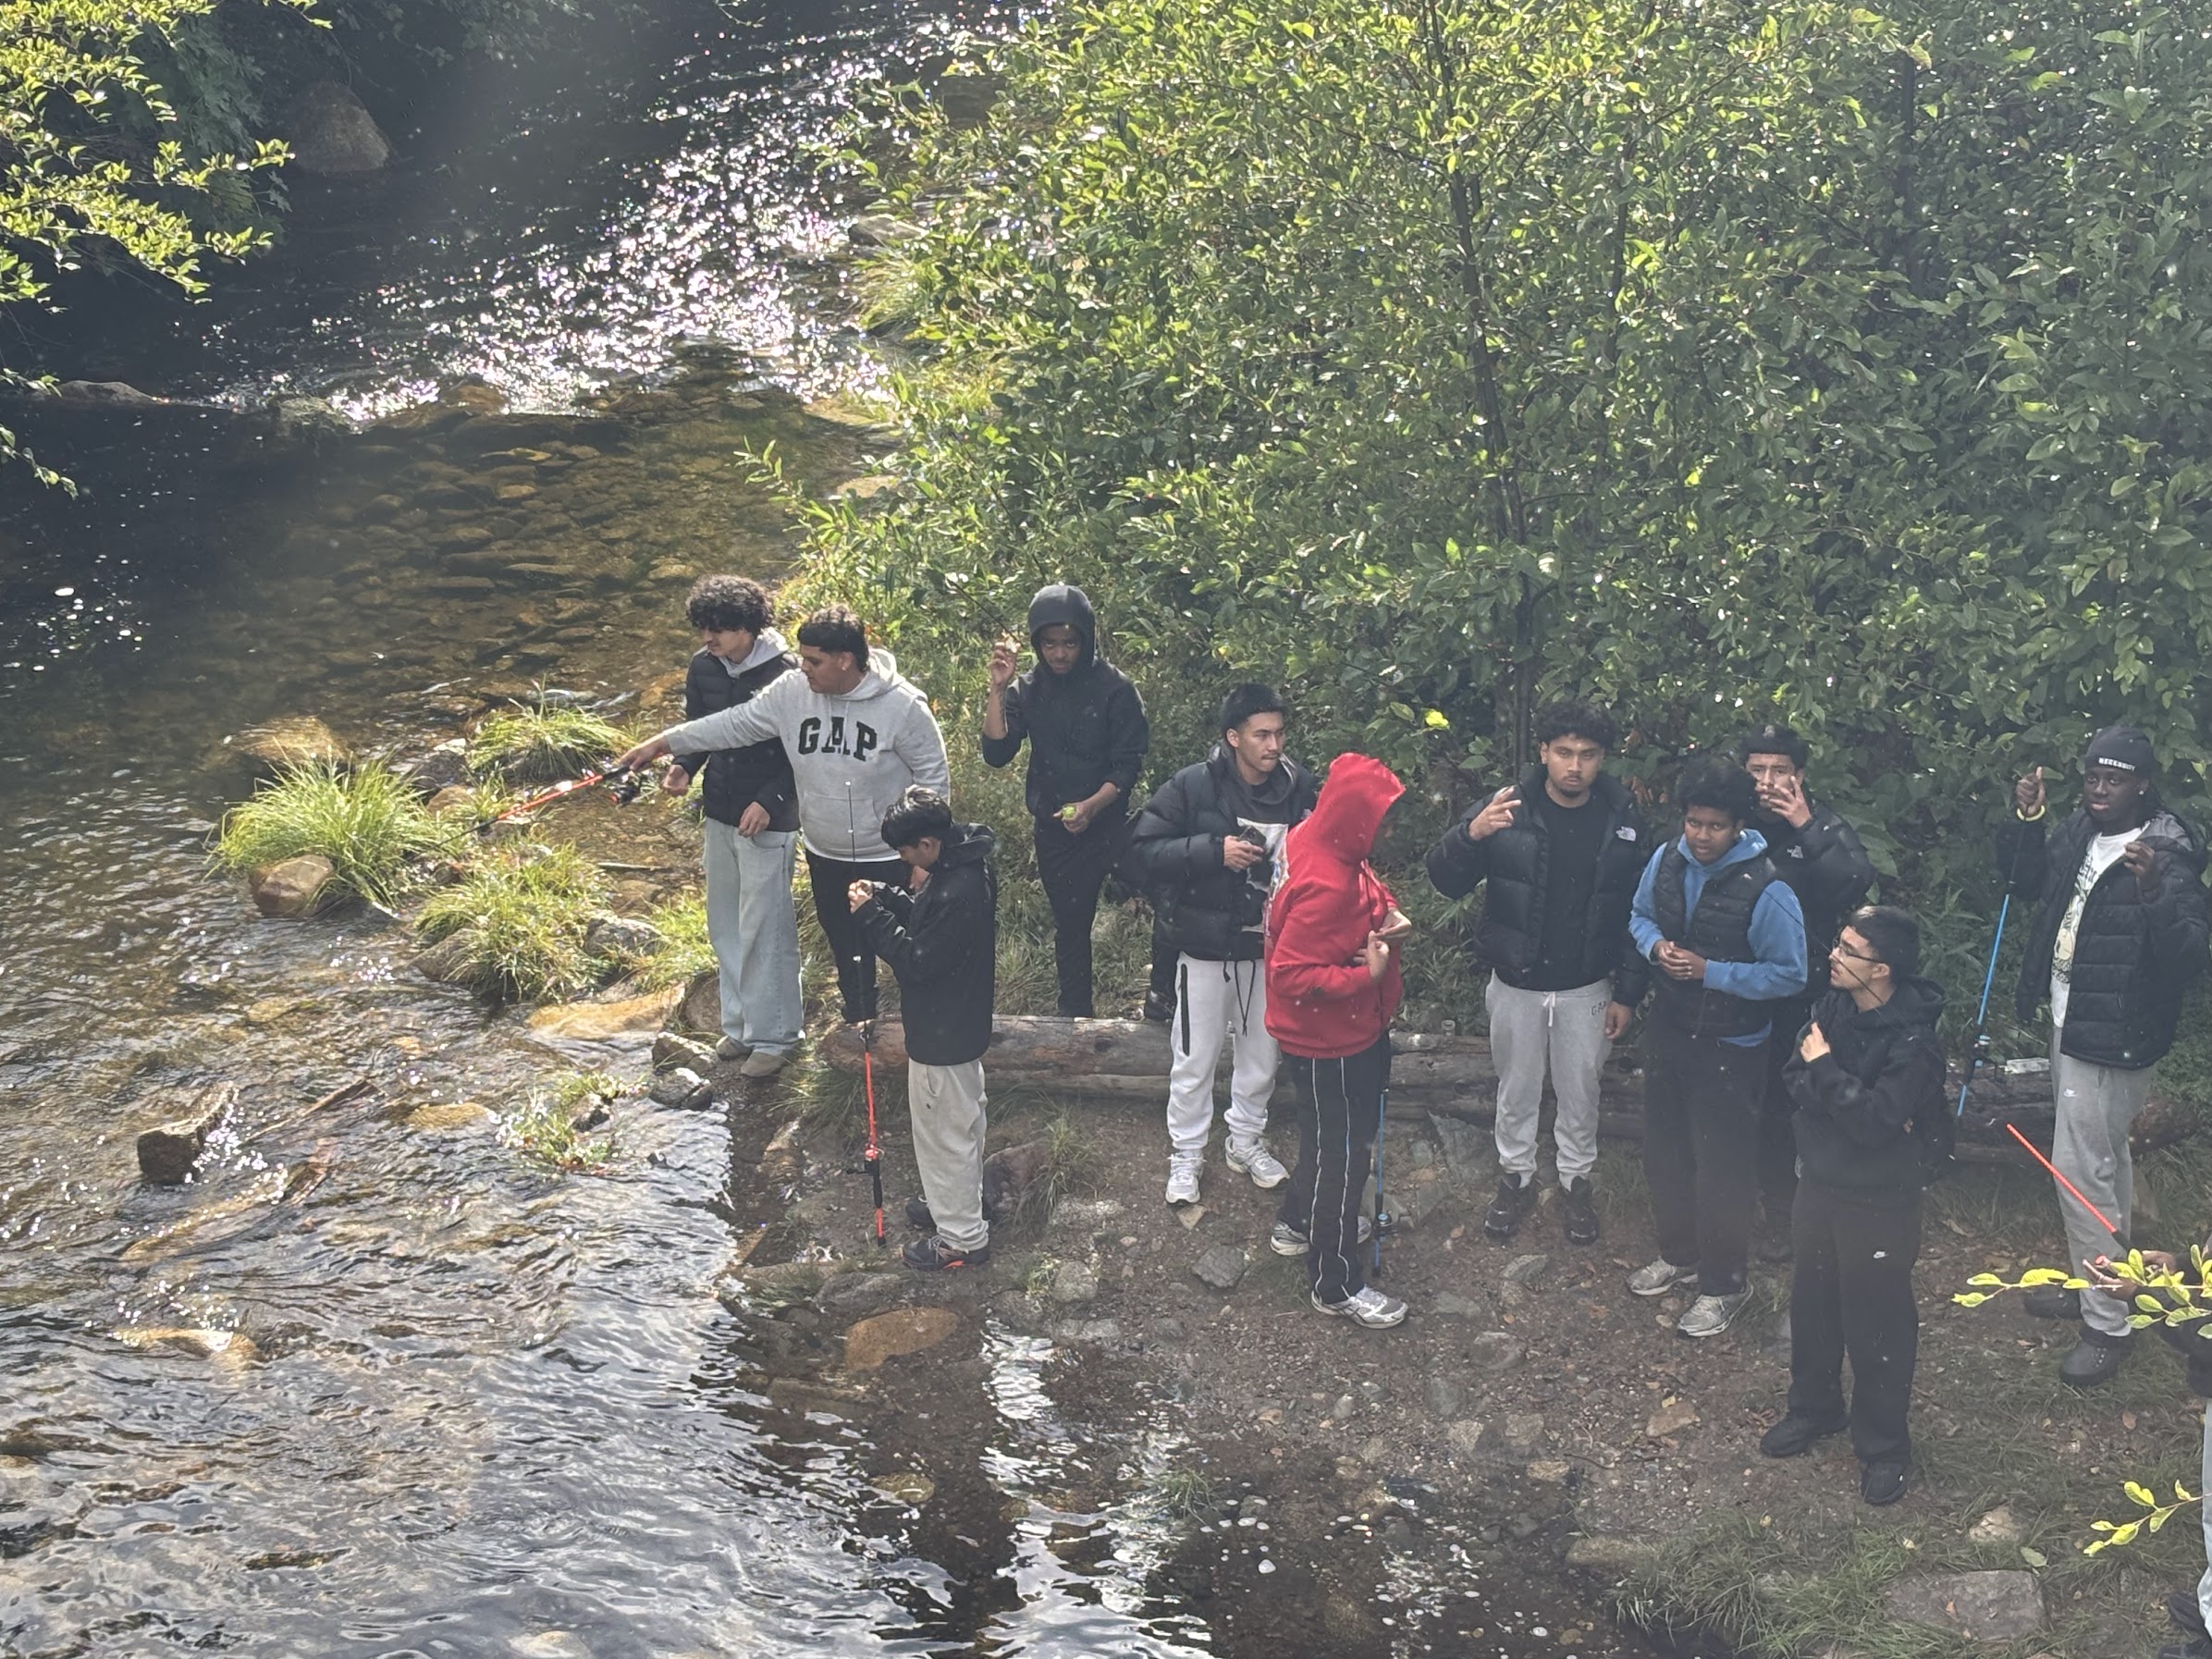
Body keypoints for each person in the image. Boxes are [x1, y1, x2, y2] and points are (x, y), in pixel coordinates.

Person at [615, 604, 951, 1025]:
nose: (803, 668)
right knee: (847, 950)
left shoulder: (902, 706)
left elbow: (934, 780)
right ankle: (859, 1026)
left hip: (891, 855)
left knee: (911, 946)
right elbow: (734, 725)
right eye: (803, 658)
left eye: (814, 661)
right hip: (826, 853)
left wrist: (927, 860)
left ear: (845, 659)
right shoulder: (792, 692)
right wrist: (664, 743)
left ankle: (930, 1030)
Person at [2000, 725, 2209, 1386]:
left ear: (2142, 785)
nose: (2099, 789)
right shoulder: (2079, 831)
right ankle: (2108, 1285)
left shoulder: (2167, 856)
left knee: (2077, 1172)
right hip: (2072, 1018)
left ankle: (2107, 1325)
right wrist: (2028, 819)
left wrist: (2152, 893)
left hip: (2117, 1034)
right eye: (2092, 776)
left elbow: (2189, 958)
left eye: (2114, 780)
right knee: (2103, 1158)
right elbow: (2024, 883)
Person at [1425, 699, 1650, 1246]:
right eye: (1564, 752)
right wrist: (1471, 834)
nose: (1575, 765)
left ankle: (1576, 1181)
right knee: (1516, 1086)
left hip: (1588, 984)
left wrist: (1628, 992)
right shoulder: (1506, 808)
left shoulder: (1623, 820)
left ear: (1602, 758)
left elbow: (1639, 911)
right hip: (1516, 982)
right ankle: (1516, 1176)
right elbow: (1444, 880)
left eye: (1588, 754)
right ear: (1544, 751)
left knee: (1582, 1090)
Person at [1761, 905, 1946, 1507]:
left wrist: (1826, 1071)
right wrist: (1839, 1092)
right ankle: (1814, 1409)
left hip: (1881, 1200)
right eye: (1837, 943)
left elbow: (1874, 1123)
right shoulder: (1832, 1006)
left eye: (1848, 950)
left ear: (1882, 969)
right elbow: (1793, 1077)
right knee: (1812, 1304)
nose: (1833, 956)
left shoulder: (1914, 1043)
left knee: (1878, 1325)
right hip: (1818, 1183)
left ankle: (1884, 1447)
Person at [1627, 756, 1808, 1337]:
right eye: (1694, 823)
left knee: (1722, 1169)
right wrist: (1656, 948)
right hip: (1670, 1030)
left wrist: (1712, 972)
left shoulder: (1769, 888)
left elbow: (1791, 973)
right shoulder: (1665, 860)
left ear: (1738, 827)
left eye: (1715, 827)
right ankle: (1678, 1256)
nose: (1702, 837)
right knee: (1666, 1154)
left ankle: (1725, 1284)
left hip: (1733, 1044)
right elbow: (1639, 916)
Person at [1126, 684, 1320, 1206]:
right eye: (1261, 735)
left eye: (1279, 733)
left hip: (1272, 949)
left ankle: (1245, 1140)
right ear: (1233, 737)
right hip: (1204, 945)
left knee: (1263, 1055)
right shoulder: (1194, 785)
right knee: (1195, 1056)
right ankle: (1186, 1153)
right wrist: (1215, 851)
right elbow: (1142, 850)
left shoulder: (1300, 788)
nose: (1273, 745)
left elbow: (1326, 851)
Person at [1263, 753, 1411, 1326]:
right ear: (1353, 818)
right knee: (1345, 1158)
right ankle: (1336, 1283)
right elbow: (1289, 973)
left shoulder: (1315, 838)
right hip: (1333, 1043)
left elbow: (1367, 885)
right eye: (1381, 820)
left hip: (1326, 1035)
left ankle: (1297, 1223)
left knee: (1323, 1140)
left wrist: (1389, 914)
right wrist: (1365, 978)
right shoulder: (1327, 884)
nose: (1388, 830)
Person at [657, 576, 804, 1078]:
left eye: (717, 629)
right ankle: (741, 1027)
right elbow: (700, 729)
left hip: (771, 819)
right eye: (702, 628)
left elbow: (802, 753)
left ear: (748, 626)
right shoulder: (703, 666)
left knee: (766, 928)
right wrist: (683, 765)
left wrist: (770, 802)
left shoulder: (788, 673)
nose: (707, 638)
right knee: (725, 924)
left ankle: (777, 1037)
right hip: (719, 810)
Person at [981, 584, 1150, 1017]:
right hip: (1056, 826)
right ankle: (1075, 1016)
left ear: (1086, 639)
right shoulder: (1028, 689)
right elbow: (997, 753)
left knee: (1167, 902)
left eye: (1070, 643)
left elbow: (1127, 766)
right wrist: (998, 689)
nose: (1059, 654)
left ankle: (1161, 1000)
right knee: (1071, 926)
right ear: (1037, 643)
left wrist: (1093, 806)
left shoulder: (1115, 689)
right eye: (1050, 644)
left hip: (1111, 823)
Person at [1740, 721, 1876, 1260]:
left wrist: (1804, 825)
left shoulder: (1821, 824)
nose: (1767, 782)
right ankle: (1736, 1202)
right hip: (1736, 982)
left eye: (1780, 771)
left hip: (1804, 991)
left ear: (1799, 775)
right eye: (1757, 770)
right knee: (1740, 1098)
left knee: (1789, 1102)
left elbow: (1854, 882)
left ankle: (1787, 1213)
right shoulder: (1730, 818)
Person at [848, 788, 998, 1272]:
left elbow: (917, 962)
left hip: (941, 1035)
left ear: (929, 844)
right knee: (965, 1122)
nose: (902, 859)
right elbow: (930, 924)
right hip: (962, 1025)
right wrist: (887, 896)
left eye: (906, 851)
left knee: (943, 1137)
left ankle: (961, 1238)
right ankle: (955, 1203)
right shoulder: (966, 866)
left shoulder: (956, 891)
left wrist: (870, 918)